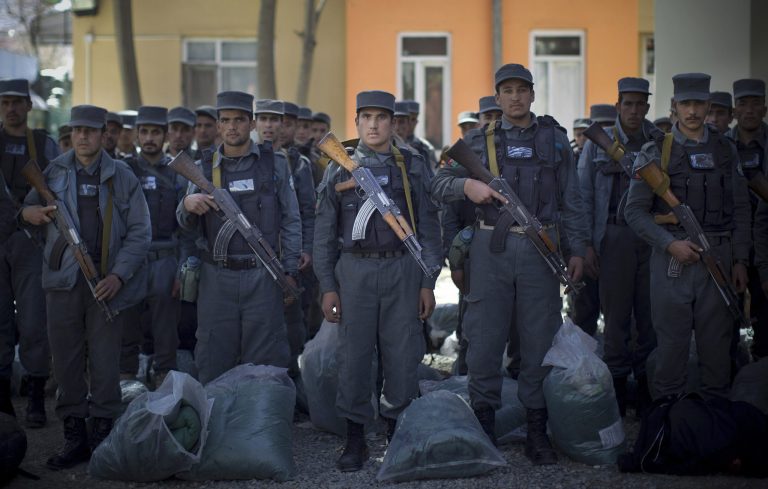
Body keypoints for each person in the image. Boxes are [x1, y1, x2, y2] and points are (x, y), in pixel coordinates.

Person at [431, 63, 587, 465]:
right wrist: (468, 184)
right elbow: (437, 184)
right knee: (483, 339)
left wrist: (578, 250)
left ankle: (537, 430)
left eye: (522, 90)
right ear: (497, 98)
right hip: (490, 249)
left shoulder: (554, 140)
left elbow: (572, 200)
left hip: (541, 248)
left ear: (532, 95)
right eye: (507, 91)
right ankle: (484, 428)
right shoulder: (477, 142)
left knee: (539, 339)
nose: (515, 97)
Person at [314, 90, 440, 472]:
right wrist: (327, 285)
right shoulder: (340, 166)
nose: (373, 124)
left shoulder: (413, 166)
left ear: (393, 123)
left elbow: (430, 227)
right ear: (355, 123)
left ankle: (397, 431)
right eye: (365, 117)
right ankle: (355, 439)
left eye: (381, 118)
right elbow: (323, 232)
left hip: (402, 269)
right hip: (354, 271)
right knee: (354, 356)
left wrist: (428, 282)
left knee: (402, 354)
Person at [21, 104, 150, 469]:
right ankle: (74, 435)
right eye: (76, 130)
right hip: (62, 283)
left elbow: (141, 232)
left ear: (103, 133)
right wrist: (27, 214)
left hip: (105, 283)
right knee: (66, 361)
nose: (82, 137)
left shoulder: (121, 176)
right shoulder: (55, 170)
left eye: (90, 131)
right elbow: (29, 212)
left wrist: (118, 276)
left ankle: (103, 436)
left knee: (106, 364)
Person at [624, 73, 750, 401]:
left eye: (698, 103)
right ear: (674, 107)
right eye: (685, 104)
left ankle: (713, 437)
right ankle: (668, 432)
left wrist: (739, 260)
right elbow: (633, 212)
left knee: (717, 356)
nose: (692, 111)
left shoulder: (725, 151)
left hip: (718, 260)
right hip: (672, 265)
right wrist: (670, 244)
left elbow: (740, 210)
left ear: (709, 105)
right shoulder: (656, 152)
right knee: (671, 353)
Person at [177, 91, 301, 384]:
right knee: (213, 356)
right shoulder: (202, 168)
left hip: (263, 275)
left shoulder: (275, 165)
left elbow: (292, 219)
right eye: (226, 121)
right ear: (219, 126)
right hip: (217, 277)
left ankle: (259, 423)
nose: (232, 127)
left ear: (252, 123)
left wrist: (291, 269)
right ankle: (216, 425)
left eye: (240, 120)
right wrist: (187, 205)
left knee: (266, 359)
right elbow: (184, 224)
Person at [578, 77, 662, 416]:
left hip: (652, 238)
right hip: (612, 237)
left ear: (647, 107)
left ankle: (645, 389)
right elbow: (582, 197)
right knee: (615, 321)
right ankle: (615, 392)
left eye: (640, 104)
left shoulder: (658, 141)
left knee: (650, 317)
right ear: (618, 106)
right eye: (627, 103)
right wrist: (585, 245)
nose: (634, 110)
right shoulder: (598, 143)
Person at [0, 78, 59, 426]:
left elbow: (57, 190)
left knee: (35, 322)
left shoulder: (43, 145)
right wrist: (19, 214)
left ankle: (36, 395)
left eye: (17, 102)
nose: (11, 108)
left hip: (31, 243)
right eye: (5, 102)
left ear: (29, 106)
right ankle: (3, 399)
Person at [122, 106, 191, 386]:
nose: (149, 138)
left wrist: (182, 269)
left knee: (166, 329)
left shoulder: (178, 172)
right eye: (144, 132)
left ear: (165, 136)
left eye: (155, 132)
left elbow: (187, 228)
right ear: (137, 135)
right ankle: (125, 378)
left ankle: (164, 376)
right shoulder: (123, 170)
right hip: (130, 260)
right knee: (126, 323)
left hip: (165, 258)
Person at [255, 99, 315, 379]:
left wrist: (306, 249)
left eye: (275, 120)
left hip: (288, 254)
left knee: (292, 325)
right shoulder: (248, 158)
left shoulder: (297, 164)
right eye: (263, 119)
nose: (269, 126)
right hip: (254, 257)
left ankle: (289, 381)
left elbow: (307, 213)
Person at [726, 78, 768, 359]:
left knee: (765, 316)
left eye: (755, 104)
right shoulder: (721, 146)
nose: (749, 110)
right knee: (725, 316)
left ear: (764, 109)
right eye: (743, 104)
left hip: (766, 241)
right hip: (731, 242)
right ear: (734, 111)